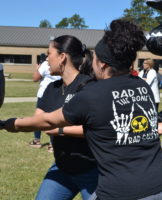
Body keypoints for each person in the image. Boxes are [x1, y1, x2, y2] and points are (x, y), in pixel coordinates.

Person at [1, 19, 162, 200]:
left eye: (95, 59)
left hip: (124, 191)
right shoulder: (142, 86)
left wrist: (10, 123)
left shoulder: (92, 95)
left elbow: (47, 121)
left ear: (103, 64)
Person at [9, 35, 98, 200]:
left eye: (48, 54)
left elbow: (95, 129)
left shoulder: (89, 86)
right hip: (62, 167)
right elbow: (39, 119)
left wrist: (59, 130)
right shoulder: (52, 87)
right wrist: (12, 124)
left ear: (62, 57)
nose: (46, 60)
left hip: (92, 170)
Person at [29, 56, 61, 152]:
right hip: (58, 94)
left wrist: (37, 69)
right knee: (54, 119)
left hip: (44, 94)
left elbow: (35, 78)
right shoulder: (62, 63)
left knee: (38, 118)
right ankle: (52, 144)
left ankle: (37, 140)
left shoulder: (45, 64)